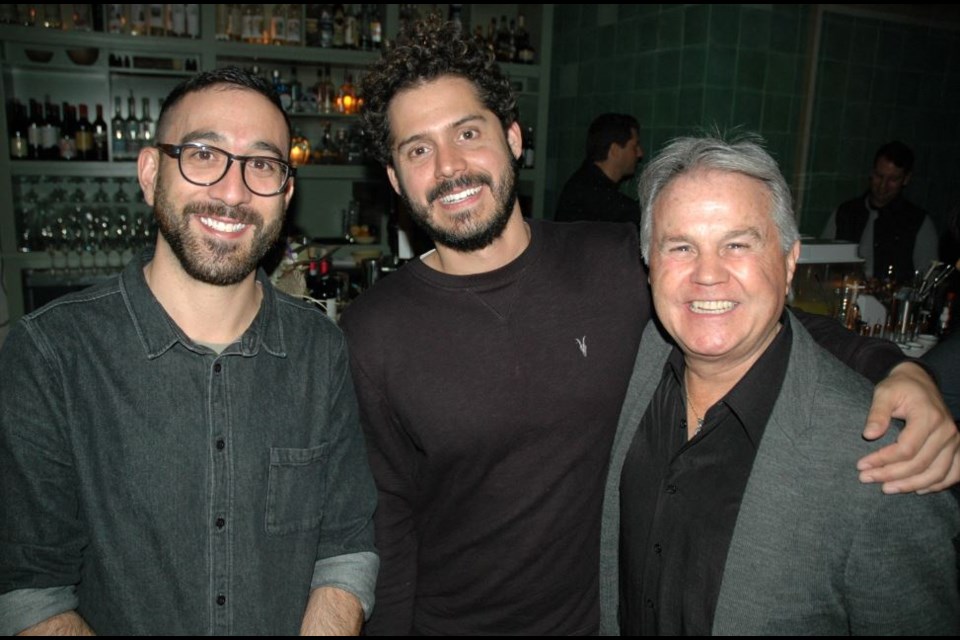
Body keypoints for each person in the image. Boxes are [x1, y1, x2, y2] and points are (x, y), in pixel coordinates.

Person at [340, 17, 959, 636]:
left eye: (467, 132)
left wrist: (898, 368)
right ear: (395, 178)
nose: (449, 166)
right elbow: (386, 520)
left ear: (512, 138)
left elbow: (741, 310)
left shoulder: (613, 263)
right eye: (418, 149)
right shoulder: (373, 330)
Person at [0, 67, 378, 635]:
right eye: (204, 154)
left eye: (262, 164)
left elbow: (346, 547)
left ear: (286, 192)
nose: (233, 191)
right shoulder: (52, 353)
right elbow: (31, 589)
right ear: (151, 173)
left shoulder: (320, 348)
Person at [600, 134, 959, 635]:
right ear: (649, 265)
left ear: (791, 262)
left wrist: (903, 367)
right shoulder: (633, 362)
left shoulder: (887, 463)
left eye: (738, 245)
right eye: (681, 246)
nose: (708, 275)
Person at [822, 140, 938, 281]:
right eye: (879, 176)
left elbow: (928, 279)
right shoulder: (845, 213)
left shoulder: (918, 222)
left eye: (893, 179)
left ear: (906, 179)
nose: (883, 185)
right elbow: (823, 262)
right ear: (872, 173)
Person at [554, 113, 643, 225]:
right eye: (634, 146)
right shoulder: (597, 196)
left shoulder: (583, 182)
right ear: (615, 150)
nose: (640, 153)